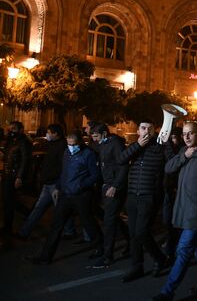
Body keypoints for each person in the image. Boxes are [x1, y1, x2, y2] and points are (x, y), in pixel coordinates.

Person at [153, 122, 197, 301]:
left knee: (183, 251)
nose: (187, 137)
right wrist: (185, 156)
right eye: (184, 134)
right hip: (182, 209)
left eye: (190, 133)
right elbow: (168, 168)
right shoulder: (184, 151)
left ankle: (167, 291)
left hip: (196, 213)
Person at [24, 131, 102, 264]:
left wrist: (80, 185)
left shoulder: (88, 154)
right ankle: (45, 257)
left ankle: (102, 248)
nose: (71, 147)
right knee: (56, 225)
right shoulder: (67, 153)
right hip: (65, 195)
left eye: (74, 144)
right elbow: (64, 172)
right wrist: (58, 187)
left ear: (80, 143)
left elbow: (95, 175)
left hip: (81, 196)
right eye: (69, 144)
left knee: (89, 223)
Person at [118, 119, 173, 282]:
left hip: (150, 195)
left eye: (150, 128)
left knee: (142, 231)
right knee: (133, 233)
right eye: (143, 128)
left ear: (154, 131)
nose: (146, 131)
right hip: (133, 195)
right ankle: (137, 266)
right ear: (138, 131)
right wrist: (138, 146)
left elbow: (171, 163)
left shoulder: (160, 146)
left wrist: (167, 144)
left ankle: (160, 258)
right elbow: (121, 159)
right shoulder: (135, 147)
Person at [89, 123, 130, 268]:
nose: (94, 140)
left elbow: (123, 166)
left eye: (96, 136)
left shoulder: (116, 144)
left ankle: (108, 256)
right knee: (112, 218)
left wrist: (115, 186)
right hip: (107, 185)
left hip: (114, 187)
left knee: (109, 221)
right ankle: (131, 242)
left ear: (104, 134)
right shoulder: (102, 144)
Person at [18, 124, 68, 240]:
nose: (47, 134)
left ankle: (69, 231)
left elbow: (62, 167)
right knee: (39, 208)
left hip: (55, 184)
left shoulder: (61, 146)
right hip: (48, 183)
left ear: (55, 133)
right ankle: (24, 231)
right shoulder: (52, 144)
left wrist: (58, 183)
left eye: (49, 132)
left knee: (60, 210)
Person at [2, 121, 32, 239]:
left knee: (9, 201)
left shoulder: (24, 142)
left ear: (20, 129)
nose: (10, 131)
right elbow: (7, 156)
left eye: (13, 129)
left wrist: (19, 177)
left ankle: (8, 227)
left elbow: (25, 161)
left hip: (14, 175)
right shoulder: (11, 141)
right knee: (8, 201)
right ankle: (29, 215)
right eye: (9, 129)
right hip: (7, 174)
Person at [161, 127, 183, 261]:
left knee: (174, 220)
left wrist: (167, 144)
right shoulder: (166, 148)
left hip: (177, 189)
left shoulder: (181, 150)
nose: (172, 140)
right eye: (171, 138)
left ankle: (172, 248)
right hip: (167, 189)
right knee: (167, 220)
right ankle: (171, 243)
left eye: (174, 137)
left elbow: (172, 162)